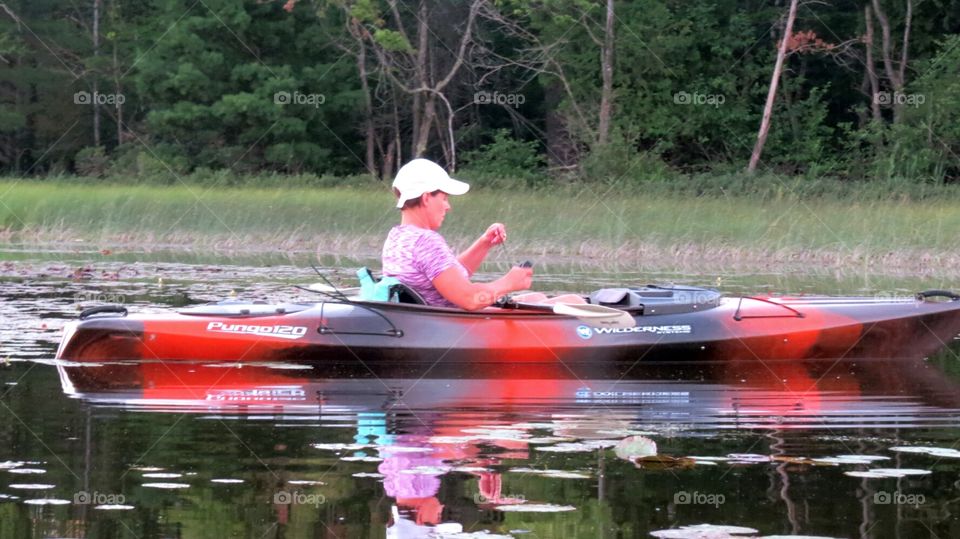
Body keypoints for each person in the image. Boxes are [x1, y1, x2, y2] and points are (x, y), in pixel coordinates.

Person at [381, 158, 585, 310]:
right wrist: (509, 282)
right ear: (426, 198)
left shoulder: (397, 237)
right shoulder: (426, 241)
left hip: (434, 318)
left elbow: (447, 276)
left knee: (535, 297)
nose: (447, 206)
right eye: (444, 198)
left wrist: (484, 243)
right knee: (574, 302)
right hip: (455, 325)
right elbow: (469, 299)